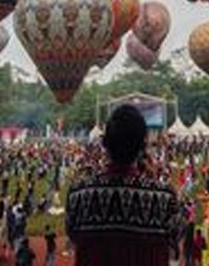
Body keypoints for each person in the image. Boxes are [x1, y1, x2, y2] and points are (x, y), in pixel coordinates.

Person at [66, 104, 183, 266]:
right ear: (143, 145)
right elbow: (175, 238)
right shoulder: (165, 197)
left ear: (105, 143)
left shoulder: (77, 194)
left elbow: (72, 236)